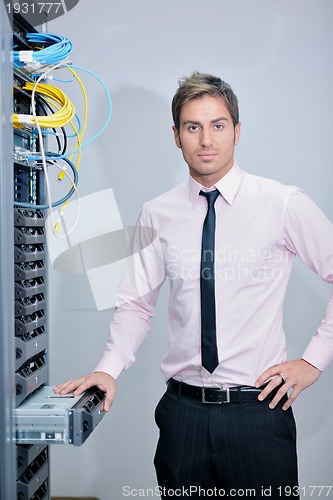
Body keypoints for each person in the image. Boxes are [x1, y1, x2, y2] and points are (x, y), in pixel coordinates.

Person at [54, 72, 333, 498]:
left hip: (257, 413)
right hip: (181, 415)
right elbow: (135, 305)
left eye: (218, 125)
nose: (206, 139)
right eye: (193, 127)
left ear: (237, 131)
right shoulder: (157, 213)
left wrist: (312, 362)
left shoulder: (281, 203)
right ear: (176, 135)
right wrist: (108, 369)